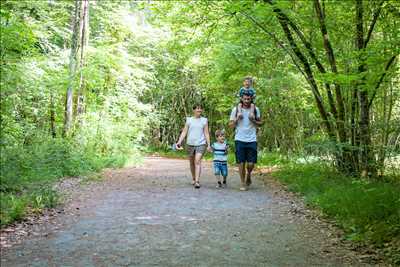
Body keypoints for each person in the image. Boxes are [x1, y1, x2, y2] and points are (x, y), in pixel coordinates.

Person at [229, 92, 262, 191]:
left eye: (248, 99)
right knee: (241, 162)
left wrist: (253, 121)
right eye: (245, 99)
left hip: (252, 139)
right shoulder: (236, 110)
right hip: (239, 139)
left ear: (251, 99)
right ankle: (243, 182)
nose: (246, 101)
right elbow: (230, 125)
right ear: (241, 99)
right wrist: (236, 119)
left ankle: (249, 174)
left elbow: (261, 123)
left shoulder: (256, 110)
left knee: (251, 164)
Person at [176, 104, 212, 189]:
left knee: (197, 161)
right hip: (190, 144)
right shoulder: (189, 120)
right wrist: (179, 142)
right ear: (194, 110)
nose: (199, 110)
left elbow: (206, 133)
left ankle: (197, 181)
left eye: (200, 108)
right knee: (191, 162)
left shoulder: (204, 120)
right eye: (197, 108)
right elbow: (184, 132)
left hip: (201, 144)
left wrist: (209, 144)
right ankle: (193, 178)